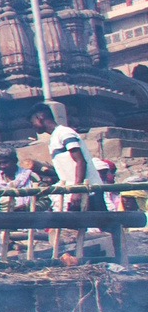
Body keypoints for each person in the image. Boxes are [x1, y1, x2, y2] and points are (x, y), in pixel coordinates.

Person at [38, 101, 99, 263]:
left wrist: (78, 190)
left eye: (32, 121)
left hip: (86, 190)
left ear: (40, 117)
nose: (32, 126)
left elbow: (80, 161)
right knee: (77, 230)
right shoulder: (54, 139)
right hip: (75, 189)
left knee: (97, 228)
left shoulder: (64, 133)